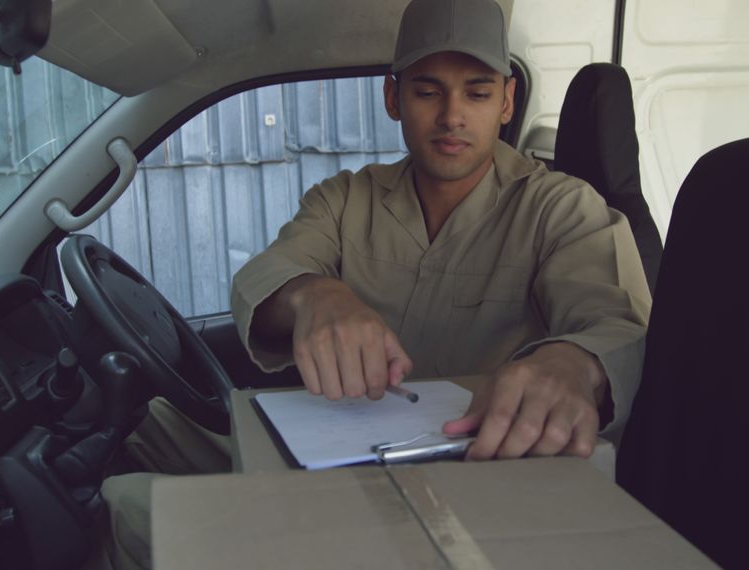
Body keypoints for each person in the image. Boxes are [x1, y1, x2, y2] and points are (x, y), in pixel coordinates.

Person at [95, 0, 650, 567]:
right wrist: (314, 295)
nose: (453, 116)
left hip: (476, 482)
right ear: (392, 97)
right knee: (141, 434)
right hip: (335, 458)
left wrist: (571, 364)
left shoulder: (559, 209)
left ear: (506, 101)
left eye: (477, 93)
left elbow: (617, 323)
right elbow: (265, 274)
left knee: (126, 505)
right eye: (428, 91)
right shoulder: (344, 198)